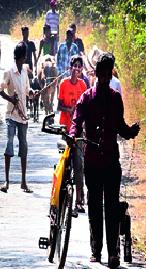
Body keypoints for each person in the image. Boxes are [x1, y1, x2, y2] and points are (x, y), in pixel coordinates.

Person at [69, 53, 140, 269]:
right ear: (97, 74)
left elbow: (120, 126)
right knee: (94, 206)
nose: (105, 77)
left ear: (111, 74)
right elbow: (76, 121)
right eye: (103, 73)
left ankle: (113, 254)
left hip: (110, 161)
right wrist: (72, 135)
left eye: (109, 73)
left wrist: (130, 132)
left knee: (111, 206)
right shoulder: (86, 98)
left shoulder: (115, 98)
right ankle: (95, 251)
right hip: (92, 160)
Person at [0, 42, 34, 194]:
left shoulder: (24, 72)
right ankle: (6, 180)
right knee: (9, 142)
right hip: (11, 115)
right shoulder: (9, 72)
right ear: (23, 56)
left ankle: (23, 182)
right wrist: (11, 98)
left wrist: (32, 92)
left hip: (23, 117)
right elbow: (0, 91)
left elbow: (26, 90)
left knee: (24, 147)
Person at [58, 55, 87, 215]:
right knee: (62, 164)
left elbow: (86, 108)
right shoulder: (63, 84)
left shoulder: (83, 85)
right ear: (70, 68)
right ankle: (58, 201)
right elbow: (60, 105)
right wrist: (69, 110)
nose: (77, 69)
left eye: (79, 67)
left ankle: (79, 201)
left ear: (82, 70)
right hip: (65, 130)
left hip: (77, 133)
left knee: (78, 165)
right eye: (74, 66)